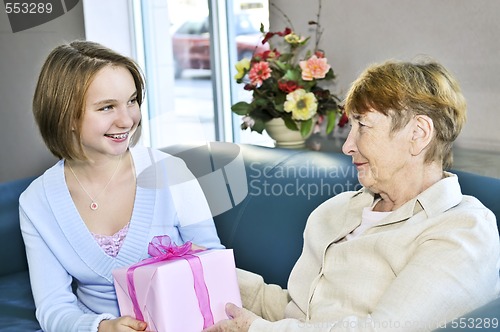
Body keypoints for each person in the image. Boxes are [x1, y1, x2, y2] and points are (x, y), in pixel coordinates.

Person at [203, 59, 500, 331]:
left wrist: (256, 330)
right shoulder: (335, 211)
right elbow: (300, 315)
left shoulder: (462, 230)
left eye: (362, 126)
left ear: (419, 133)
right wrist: (201, 270)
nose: (347, 146)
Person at [19, 40, 223, 332]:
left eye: (132, 100)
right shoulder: (36, 202)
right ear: (67, 116)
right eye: (106, 107)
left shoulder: (169, 171)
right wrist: (102, 327)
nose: (127, 119)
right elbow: (53, 306)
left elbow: (213, 267)